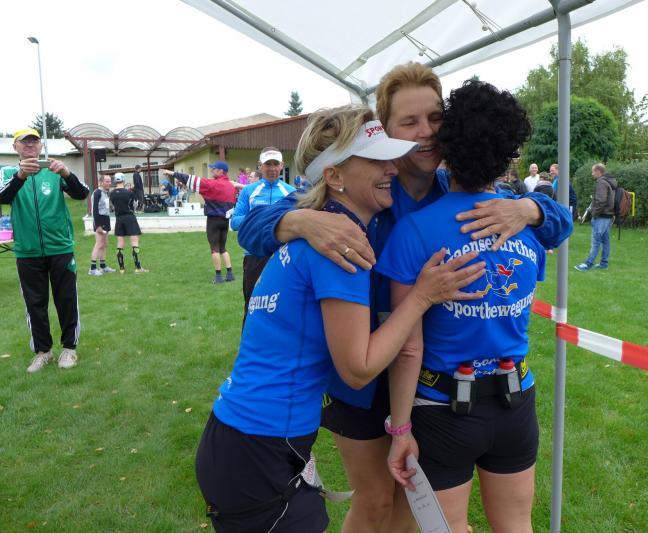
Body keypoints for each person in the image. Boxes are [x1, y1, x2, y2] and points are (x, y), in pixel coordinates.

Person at [238, 62, 572, 533]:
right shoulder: (361, 188)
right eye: (409, 122)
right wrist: (301, 221)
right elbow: (251, 229)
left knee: (411, 507)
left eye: (435, 118)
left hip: (425, 380)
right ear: (385, 131)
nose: (426, 132)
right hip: (361, 377)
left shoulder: (457, 192)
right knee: (376, 500)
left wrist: (530, 207)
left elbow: (559, 223)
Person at [195, 104, 486, 533]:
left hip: (243, 437)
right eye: (376, 161)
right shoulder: (341, 245)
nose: (392, 169)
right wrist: (423, 296)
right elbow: (358, 368)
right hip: (259, 449)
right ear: (333, 176)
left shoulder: (321, 233)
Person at [379, 80, 564, 533]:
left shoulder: (414, 231)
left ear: (447, 144)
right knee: (517, 525)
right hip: (515, 400)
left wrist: (400, 430)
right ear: (507, 154)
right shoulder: (523, 225)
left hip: (442, 407)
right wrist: (528, 210)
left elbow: (408, 347)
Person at [0, 128, 90, 372]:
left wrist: (66, 173)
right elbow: (2, 197)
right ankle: (43, 352)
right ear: (15, 147)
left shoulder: (54, 169)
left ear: (41, 146)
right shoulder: (7, 173)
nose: (30, 145)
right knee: (34, 304)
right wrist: (20, 176)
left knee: (66, 300)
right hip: (27, 251)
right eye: (24, 142)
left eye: (34, 141)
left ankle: (69, 349)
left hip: (60, 247)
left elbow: (82, 193)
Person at [231, 147, 296, 318]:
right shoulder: (249, 191)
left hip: (283, 256)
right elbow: (235, 222)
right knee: (252, 306)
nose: (272, 168)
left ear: (281, 165)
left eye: (275, 164)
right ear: (260, 166)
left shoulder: (291, 192)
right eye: (268, 164)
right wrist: (266, 218)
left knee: (283, 306)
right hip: (254, 256)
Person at [165, 162, 237, 284]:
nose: (212, 170)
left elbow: (190, 179)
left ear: (221, 171)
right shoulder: (231, 186)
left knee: (214, 249)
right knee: (223, 248)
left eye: (214, 169)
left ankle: (218, 276)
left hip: (213, 220)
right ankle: (230, 274)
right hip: (225, 221)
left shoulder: (211, 184)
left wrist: (172, 173)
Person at [575, 163, 616, 271]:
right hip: (608, 215)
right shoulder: (609, 181)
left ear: (598, 171)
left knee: (595, 241)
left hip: (601, 216)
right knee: (605, 241)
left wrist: (595, 213)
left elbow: (601, 200)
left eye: (593, 171)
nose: (592, 174)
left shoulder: (601, 182)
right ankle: (604, 264)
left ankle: (588, 264)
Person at [109, 173, 147, 274]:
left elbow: (113, 206)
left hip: (119, 219)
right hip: (130, 218)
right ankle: (138, 268)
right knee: (134, 242)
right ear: (123, 180)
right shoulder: (129, 193)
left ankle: (121, 269)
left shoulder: (111, 194)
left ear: (115, 181)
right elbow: (135, 205)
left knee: (120, 243)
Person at [89, 174, 116, 276]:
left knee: (104, 244)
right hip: (99, 220)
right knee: (99, 244)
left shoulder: (106, 193)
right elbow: (94, 210)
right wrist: (98, 226)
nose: (109, 183)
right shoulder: (97, 193)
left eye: (110, 181)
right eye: (107, 181)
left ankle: (103, 266)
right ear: (101, 182)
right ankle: (92, 269)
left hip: (106, 219)